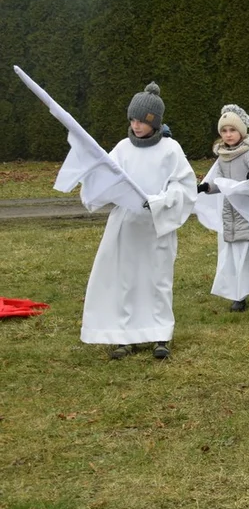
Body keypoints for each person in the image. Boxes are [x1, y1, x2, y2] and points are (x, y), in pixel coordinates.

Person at [81, 83, 196, 360]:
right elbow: (105, 178)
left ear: (154, 122)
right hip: (126, 227)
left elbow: (184, 187)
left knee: (157, 280)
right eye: (132, 120)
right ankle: (124, 336)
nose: (136, 126)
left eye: (142, 121)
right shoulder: (121, 149)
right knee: (126, 280)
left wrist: (158, 202)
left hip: (157, 227)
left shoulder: (171, 149)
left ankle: (160, 334)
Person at [196, 104, 249, 313]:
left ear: (241, 131)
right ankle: (238, 295)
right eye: (224, 131)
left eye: (232, 130)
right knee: (235, 256)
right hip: (232, 213)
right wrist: (206, 187)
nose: (228, 135)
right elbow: (217, 181)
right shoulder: (223, 155)